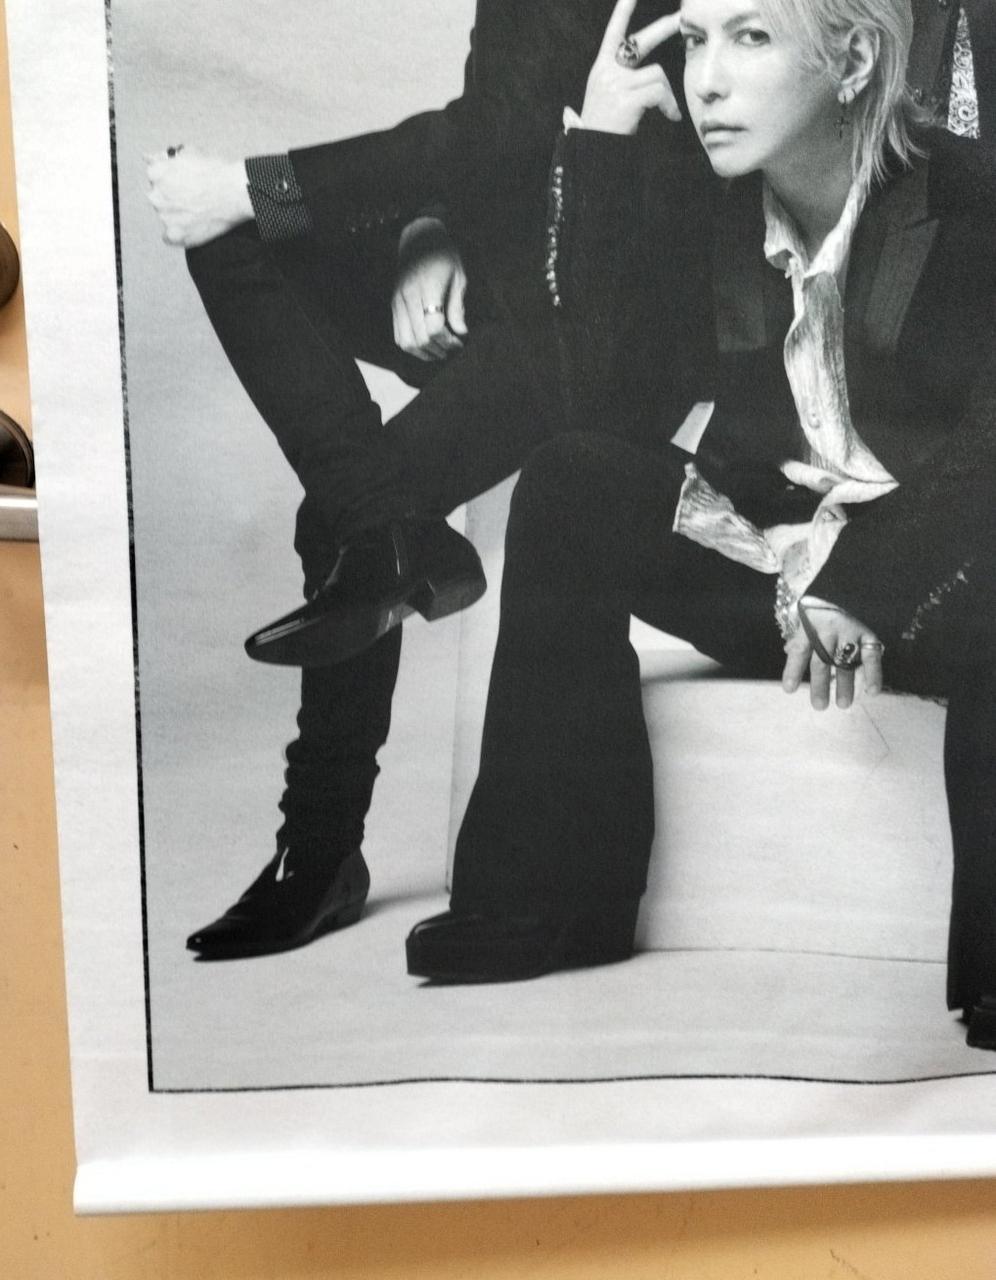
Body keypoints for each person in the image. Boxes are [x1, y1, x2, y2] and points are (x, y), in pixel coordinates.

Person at [405, 0, 996, 1052]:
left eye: (750, 37)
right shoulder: (707, 203)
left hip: (940, 577)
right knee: (573, 480)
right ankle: (550, 900)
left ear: (855, 57)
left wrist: (869, 581)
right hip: (782, 565)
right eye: (695, 40)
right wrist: (598, 150)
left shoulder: (971, 198)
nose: (706, 78)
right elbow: (602, 407)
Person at [146, 1, 688, 960]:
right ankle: (384, 527)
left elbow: (501, 132)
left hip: (604, 328)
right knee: (230, 236)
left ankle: (317, 854)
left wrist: (252, 183)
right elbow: (506, 116)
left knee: (334, 517)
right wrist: (431, 234)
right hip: (511, 281)